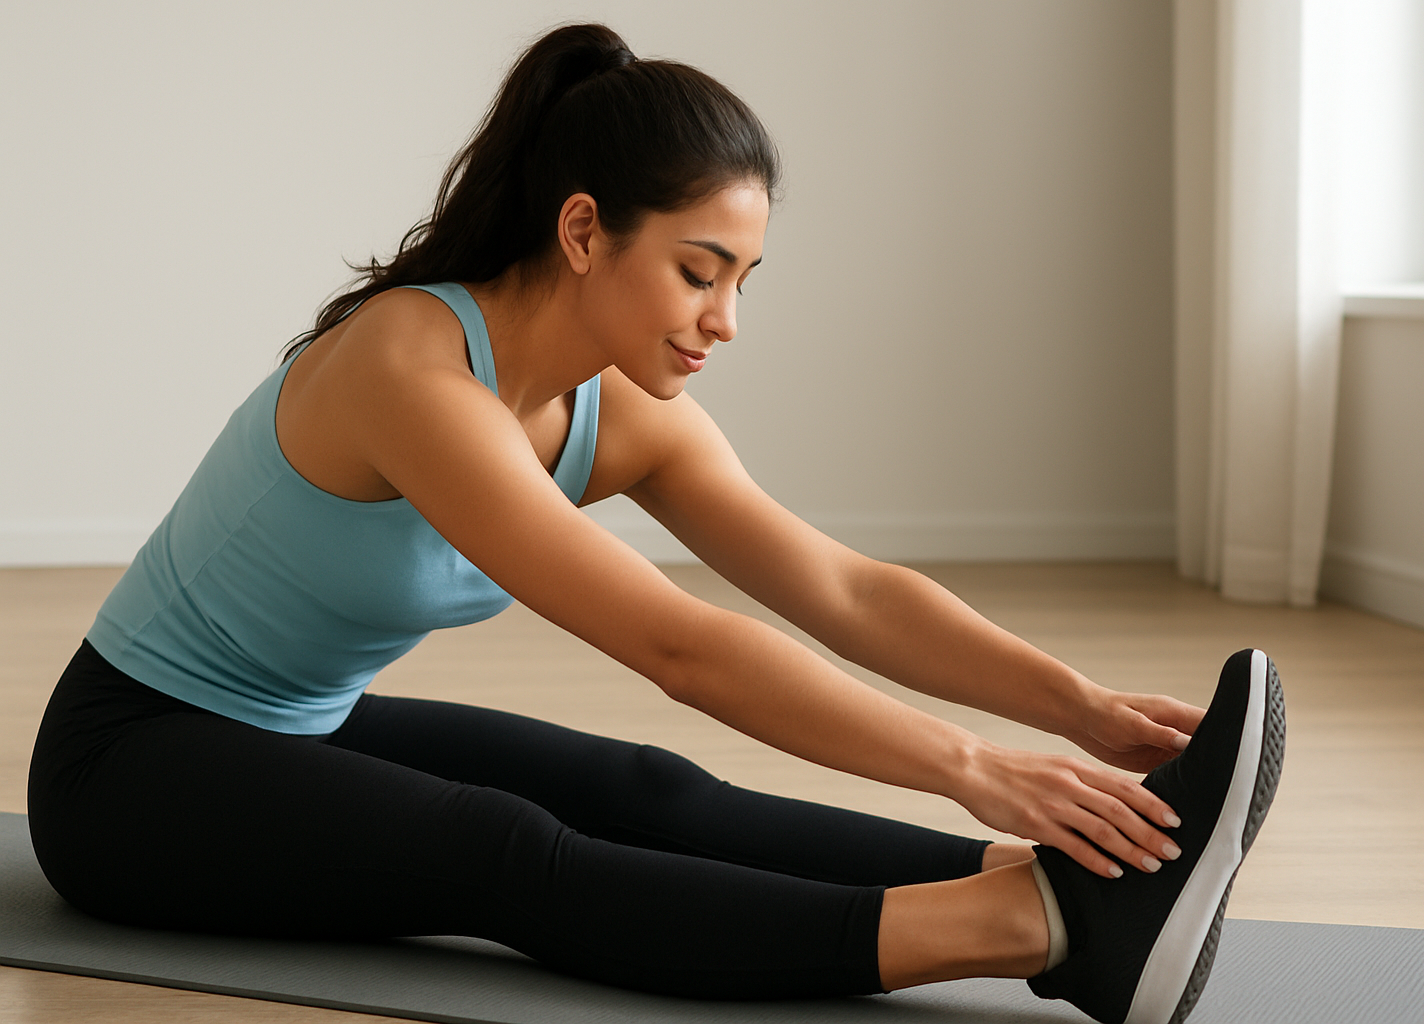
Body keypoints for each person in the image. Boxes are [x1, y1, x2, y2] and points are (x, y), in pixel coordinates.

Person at [26, 23, 1283, 1024]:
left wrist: (1074, 711)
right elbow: (680, 649)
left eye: (743, 279)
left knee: (638, 786)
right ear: (583, 231)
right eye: (698, 270)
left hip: (300, 725)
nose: (724, 318)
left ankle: (1081, 895)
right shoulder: (408, 369)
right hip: (129, 768)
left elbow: (842, 590)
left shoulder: (618, 416)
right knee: (499, 849)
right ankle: (1021, 930)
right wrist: (971, 767)